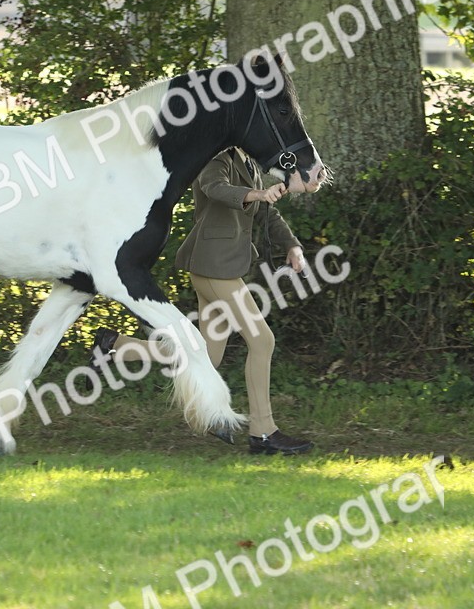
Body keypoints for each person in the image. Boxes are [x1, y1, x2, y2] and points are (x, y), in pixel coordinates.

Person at [91, 147, 314, 455]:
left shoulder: (246, 160)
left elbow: (266, 211)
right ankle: (263, 432)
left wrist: (291, 245)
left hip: (219, 267)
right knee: (262, 341)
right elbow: (216, 188)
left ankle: (113, 346)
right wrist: (257, 194)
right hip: (214, 268)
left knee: (208, 356)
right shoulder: (214, 157)